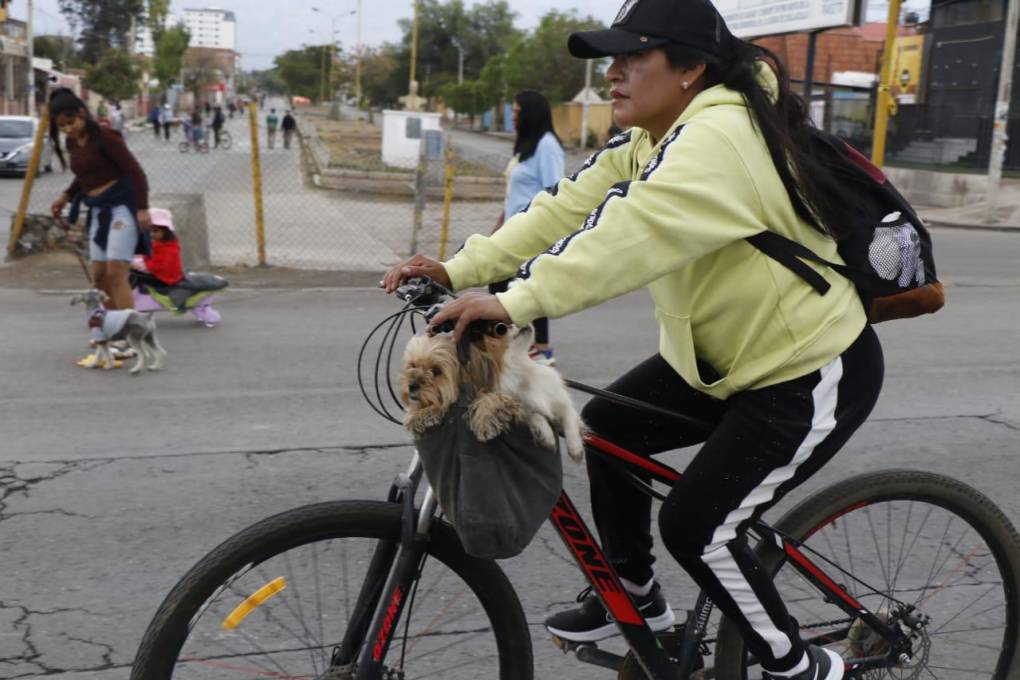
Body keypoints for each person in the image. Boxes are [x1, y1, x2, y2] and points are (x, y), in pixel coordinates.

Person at [381, 0, 883, 678]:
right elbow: (567, 206)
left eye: (631, 57)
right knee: (604, 435)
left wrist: (511, 299)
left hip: (807, 369)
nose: (612, 73)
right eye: (610, 59)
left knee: (699, 528)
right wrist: (459, 268)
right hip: (716, 364)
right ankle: (641, 602)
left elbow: (627, 238)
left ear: (690, 69)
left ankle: (803, 665)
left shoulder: (721, 139)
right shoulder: (656, 134)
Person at [48, 88, 152, 354]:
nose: (68, 129)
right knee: (100, 277)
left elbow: (135, 172)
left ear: (82, 114)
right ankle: (113, 331)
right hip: (97, 211)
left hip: (121, 209)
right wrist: (65, 196)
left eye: (71, 122)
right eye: (61, 126)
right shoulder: (73, 144)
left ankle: (131, 337)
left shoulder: (107, 138)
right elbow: (83, 175)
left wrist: (142, 209)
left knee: (117, 271)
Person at [489, 90, 564, 366]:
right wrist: (497, 229)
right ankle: (509, 346)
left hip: (531, 234)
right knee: (504, 286)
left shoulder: (547, 146)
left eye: (517, 113)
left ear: (530, 115)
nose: (513, 117)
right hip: (512, 232)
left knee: (520, 286)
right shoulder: (526, 147)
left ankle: (540, 348)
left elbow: (555, 192)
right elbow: (514, 195)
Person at [131, 207, 183, 287]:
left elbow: (158, 266)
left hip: (165, 279)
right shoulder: (160, 244)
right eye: (150, 231)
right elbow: (151, 258)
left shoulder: (169, 248)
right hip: (157, 273)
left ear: (166, 230)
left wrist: (134, 264)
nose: (151, 234)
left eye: (155, 231)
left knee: (134, 276)